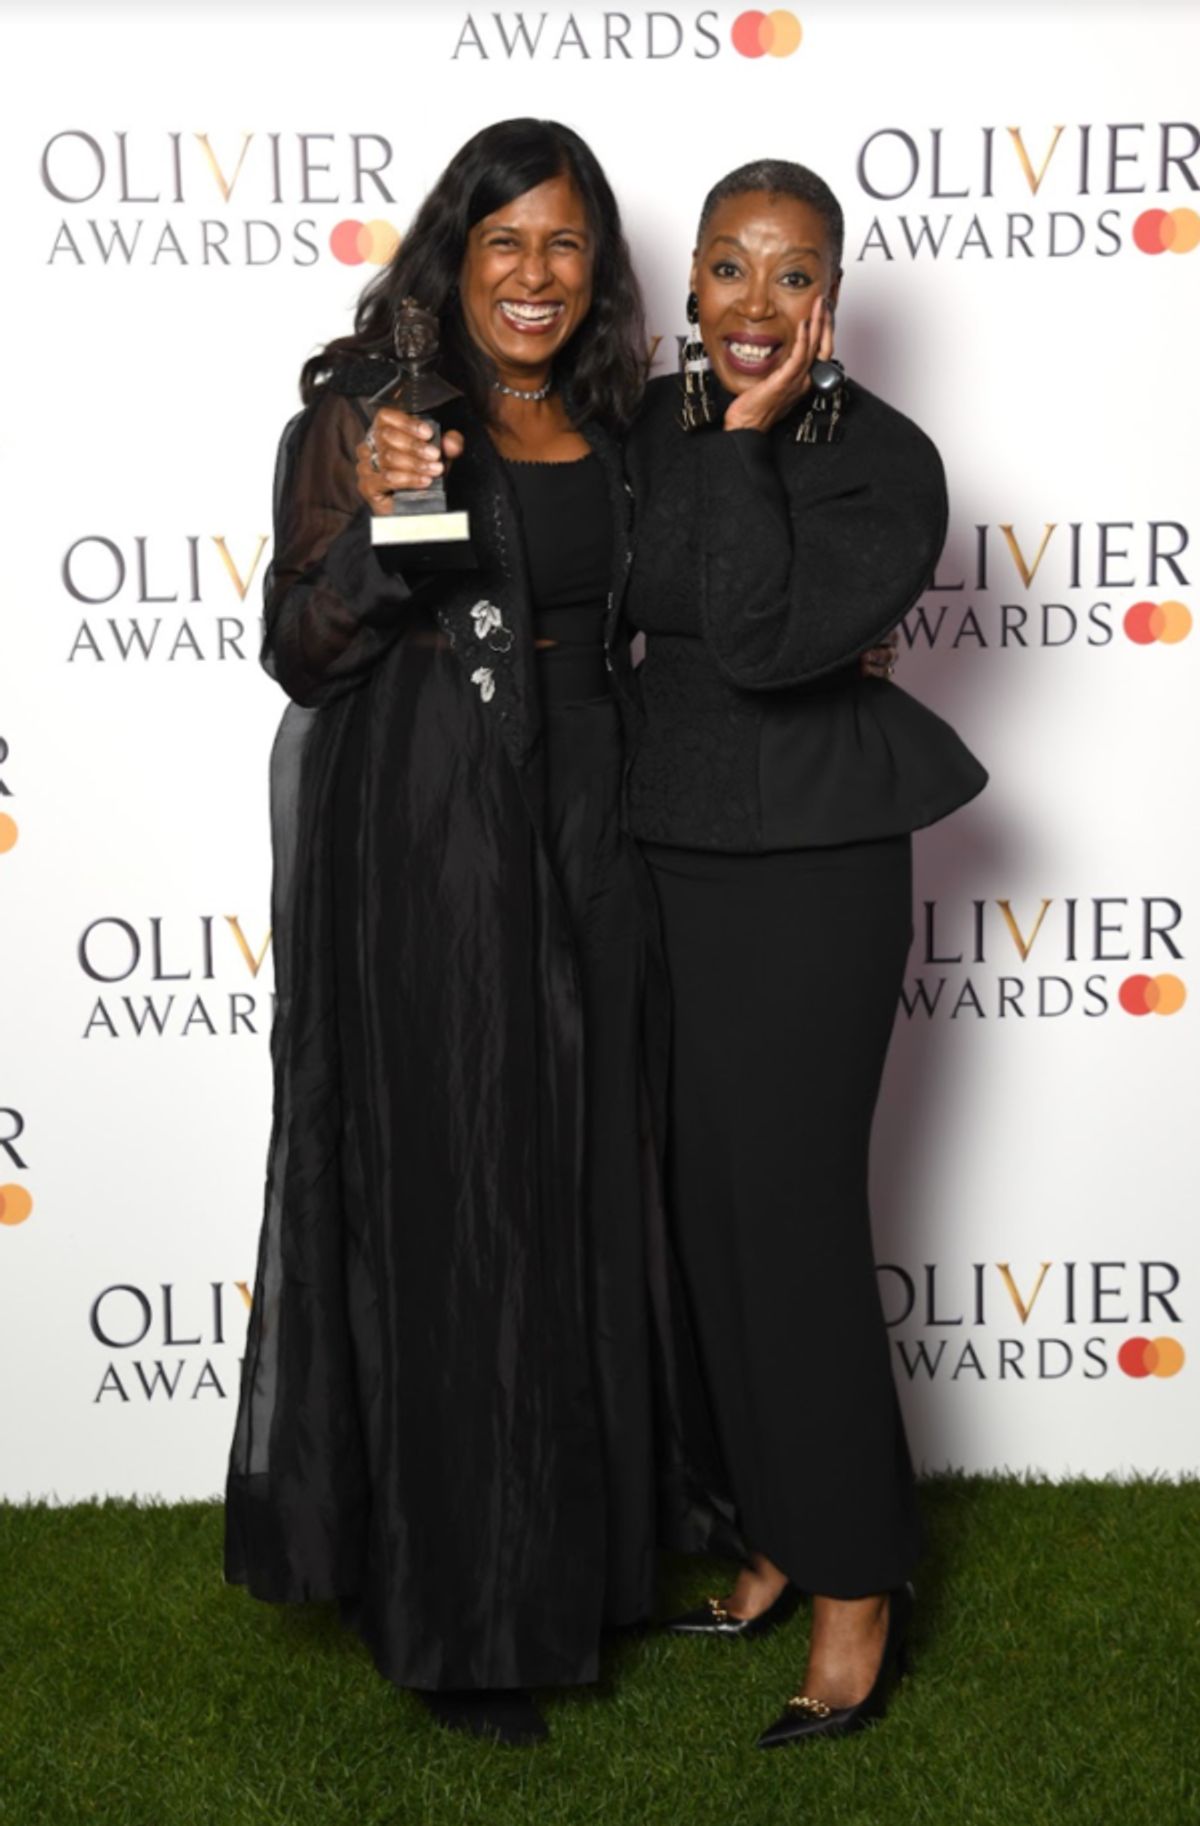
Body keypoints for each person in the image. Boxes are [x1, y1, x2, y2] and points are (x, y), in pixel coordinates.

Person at [225, 118, 676, 1749]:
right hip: (430, 836)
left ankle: (590, 1559)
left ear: (597, 267)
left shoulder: (619, 421)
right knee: (461, 1194)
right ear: (453, 253)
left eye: (566, 245)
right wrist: (372, 519)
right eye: (506, 245)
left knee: (578, 1185)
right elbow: (297, 640)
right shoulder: (369, 409)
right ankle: (460, 1612)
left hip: (592, 827)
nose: (536, 277)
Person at [619, 160, 987, 1748]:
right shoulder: (642, 430)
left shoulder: (888, 462)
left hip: (814, 867)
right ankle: (767, 1526)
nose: (753, 306)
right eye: (725, 269)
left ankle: (856, 1583)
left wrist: (752, 443)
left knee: (796, 1223)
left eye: (789, 275)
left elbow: (759, 636)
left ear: (830, 296)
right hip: (661, 855)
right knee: (701, 1212)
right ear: (689, 284)